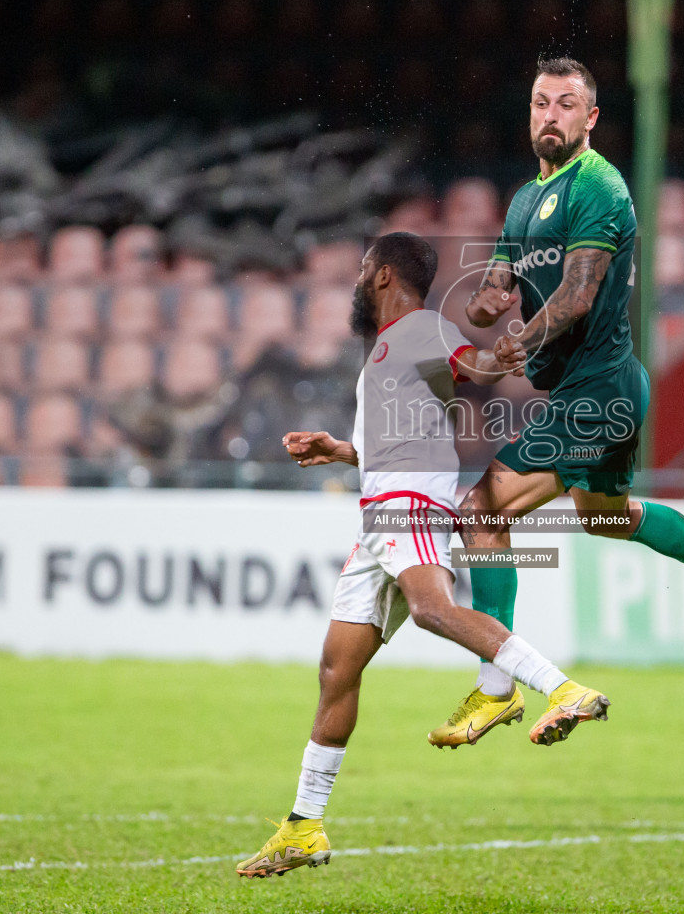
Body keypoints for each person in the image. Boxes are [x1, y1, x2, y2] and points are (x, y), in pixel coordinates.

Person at [428, 57, 684, 748]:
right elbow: (489, 291)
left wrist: (519, 341)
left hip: (597, 390)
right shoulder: (525, 198)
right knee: (605, 517)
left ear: (590, 118)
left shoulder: (599, 186)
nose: (549, 115)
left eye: (566, 104)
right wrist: (487, 300)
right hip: (606, 389)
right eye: (539, 103)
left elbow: (579, 293)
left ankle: (496, 688)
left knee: (483, 509)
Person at [237, 232, 611, 879]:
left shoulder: (417, 328)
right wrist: (340, 449)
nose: (358, 280)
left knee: (436, 610)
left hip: (406, 506)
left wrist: (507, 353)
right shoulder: (389, 350)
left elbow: (476, 366)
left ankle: (565, 689)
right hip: (377, 517)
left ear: (382, 274)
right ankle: (303, 827)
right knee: (336, 670)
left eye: (362, 269)